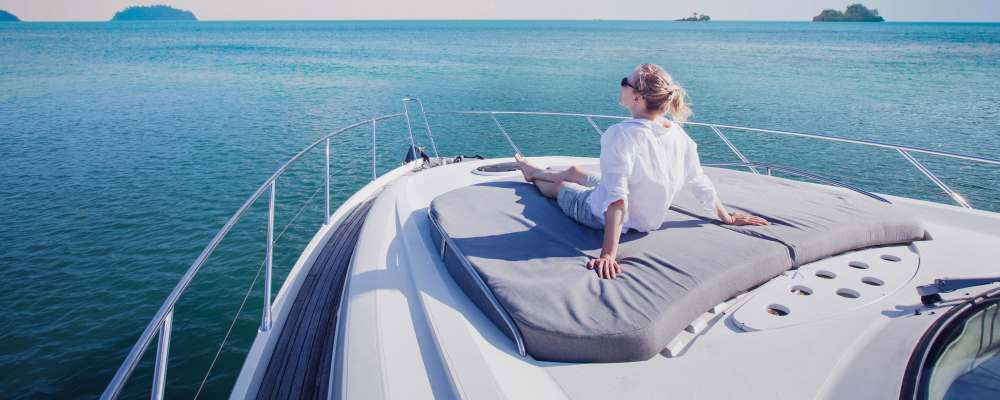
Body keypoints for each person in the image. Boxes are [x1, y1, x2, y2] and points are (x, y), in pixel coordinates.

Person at [515, 63, 768, 280]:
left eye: (626, 81)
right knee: (578, 172)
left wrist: (608, 254)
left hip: (598, 213)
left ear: (638, 98)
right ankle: (555, 171)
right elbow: (698, 180)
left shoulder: (620, 135)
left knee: (560, 189)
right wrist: (727, 217)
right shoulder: (677, 133)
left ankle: (533, 175)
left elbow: (617, 199)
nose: (621, 84)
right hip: (643, 214)